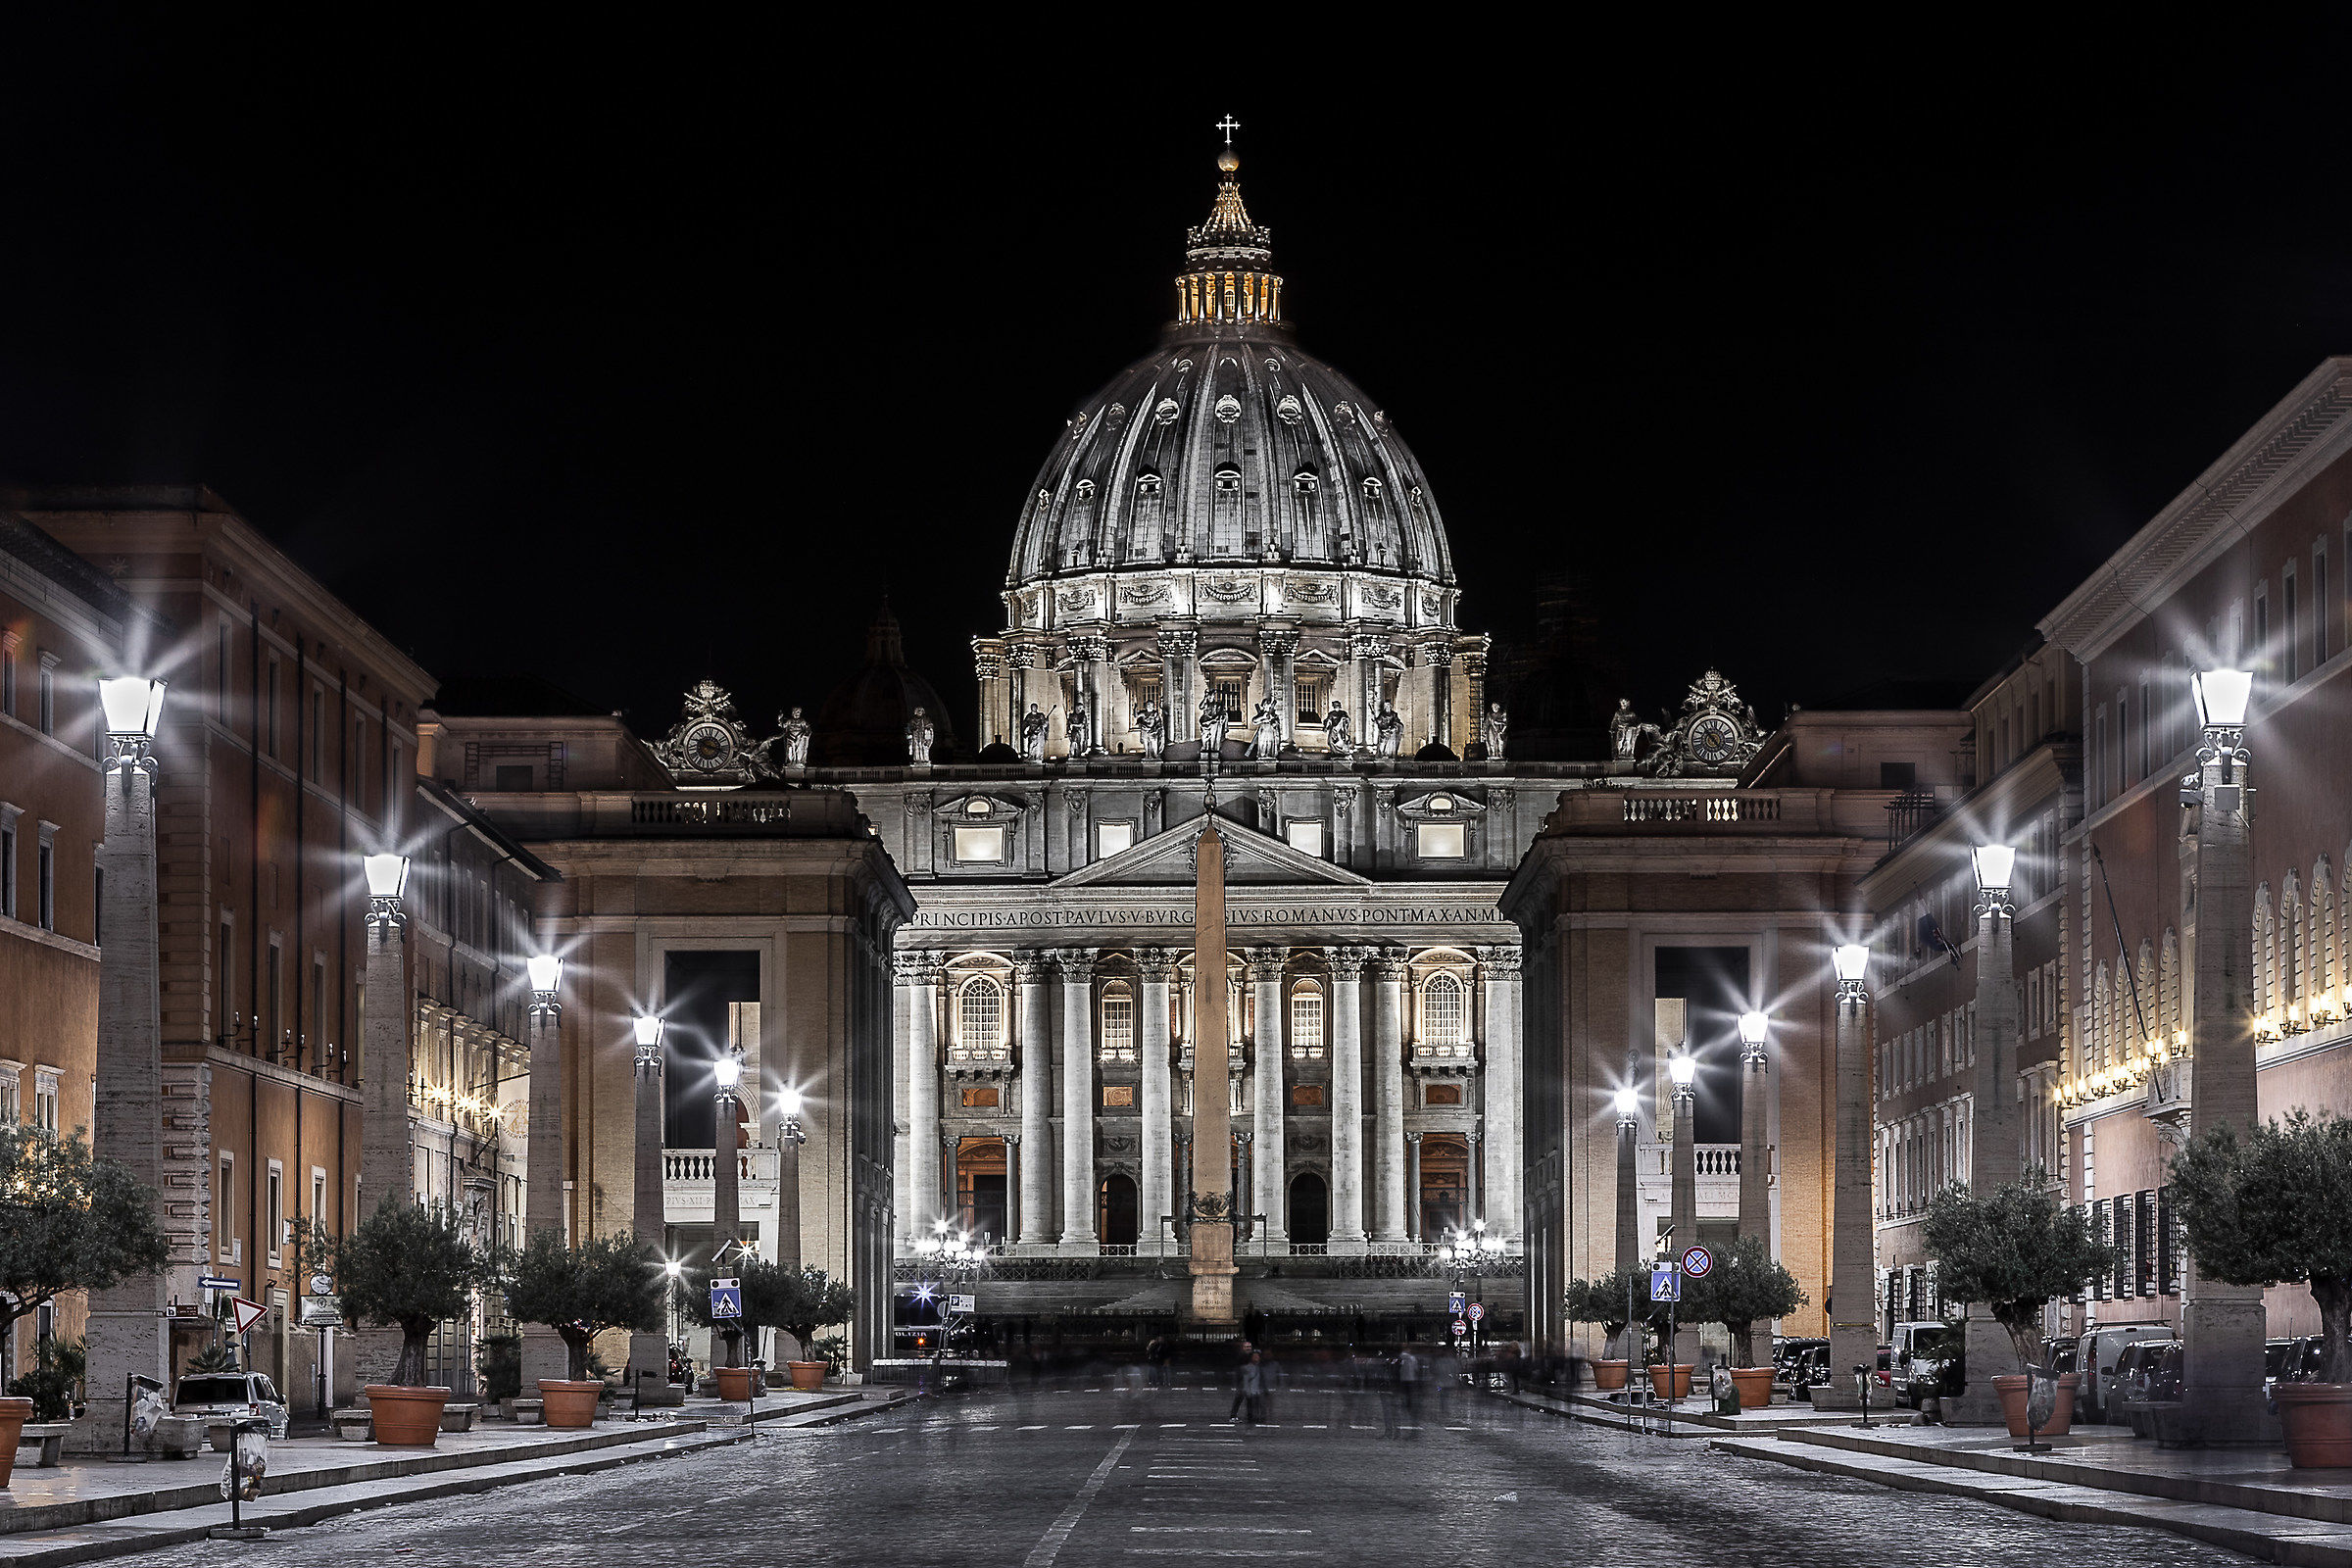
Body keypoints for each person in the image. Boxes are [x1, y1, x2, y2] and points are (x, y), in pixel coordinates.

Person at [1241, 1351, 1266, 1426]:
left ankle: (1257, 1417)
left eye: (1257, 1356)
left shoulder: (1260, 1367)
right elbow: (1245, 1380)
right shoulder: (1247, 1368)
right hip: (1250, 1390)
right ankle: (1251, 1418)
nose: (1256, 1358)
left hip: (1257, 1390)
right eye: (1254, 1356)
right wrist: (1246, 1390)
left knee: (1257, 1405)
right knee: (1250, 1405)